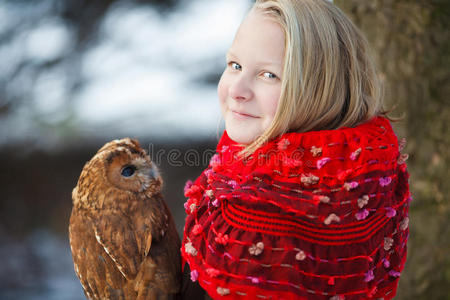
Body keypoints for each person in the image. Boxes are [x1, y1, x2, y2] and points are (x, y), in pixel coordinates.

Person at [181, 0, 410, 299]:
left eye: (268, 75)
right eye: (235, 65)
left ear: (318, 87)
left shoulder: (251, 220)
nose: (236, 90)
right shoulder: (372, 177)